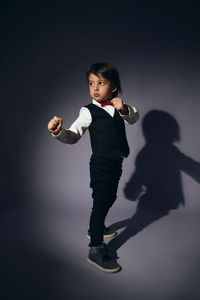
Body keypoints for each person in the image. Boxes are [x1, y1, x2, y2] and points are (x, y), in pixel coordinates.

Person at [47, 62, 139, 273]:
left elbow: (134, 118)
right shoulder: (88, 111)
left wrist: (124, 108)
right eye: (91, 83)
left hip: (116, 162)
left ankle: (95, 228)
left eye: (101, 83)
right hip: (100, 165)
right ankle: (95, 248)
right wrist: (58, 132)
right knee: (100, 202)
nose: (95, 88)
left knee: (110, 198)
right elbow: (73, 136)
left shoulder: (119, 108)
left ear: (114, 87)